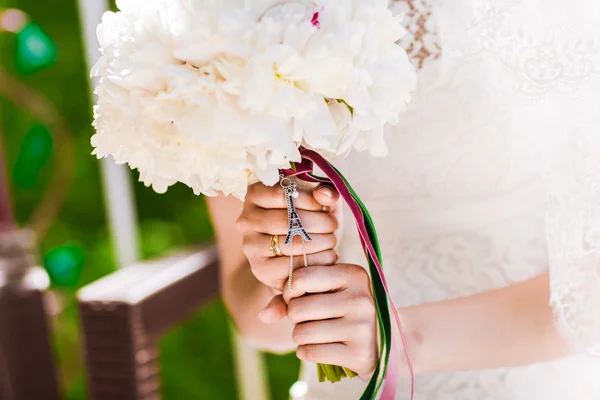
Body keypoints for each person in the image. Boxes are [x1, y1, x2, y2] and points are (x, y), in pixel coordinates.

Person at [207, 1, 600, 399]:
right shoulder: (231, 17)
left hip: (539, 376)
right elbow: (255, 320)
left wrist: (393, 339)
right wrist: (289, 270)